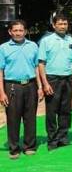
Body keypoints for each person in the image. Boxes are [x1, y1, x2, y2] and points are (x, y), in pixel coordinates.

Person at [38, 13, 72, 150]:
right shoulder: (46, 41)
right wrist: (45, 83)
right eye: (60, 24)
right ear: (54, 25)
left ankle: (62, 137)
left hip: (68, 79)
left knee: (66, 110)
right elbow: (41, 63)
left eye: (65, 24)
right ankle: (52, 140)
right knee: (52, 111)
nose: (63, 26)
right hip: (52, 79)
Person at [0, 20, 41, 159]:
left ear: (25, 31)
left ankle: (29, 146)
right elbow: (0, 70)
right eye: (15, 30)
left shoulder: (33, 46)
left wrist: (40, 87)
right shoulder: (3, 48)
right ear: (10, 32)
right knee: (13, 118)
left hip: (31, 85)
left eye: (21, 30)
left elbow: (36, 67)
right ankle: (14, 148)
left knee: (30, 117)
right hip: (12, 86)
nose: (18, 33)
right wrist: (1, 92)